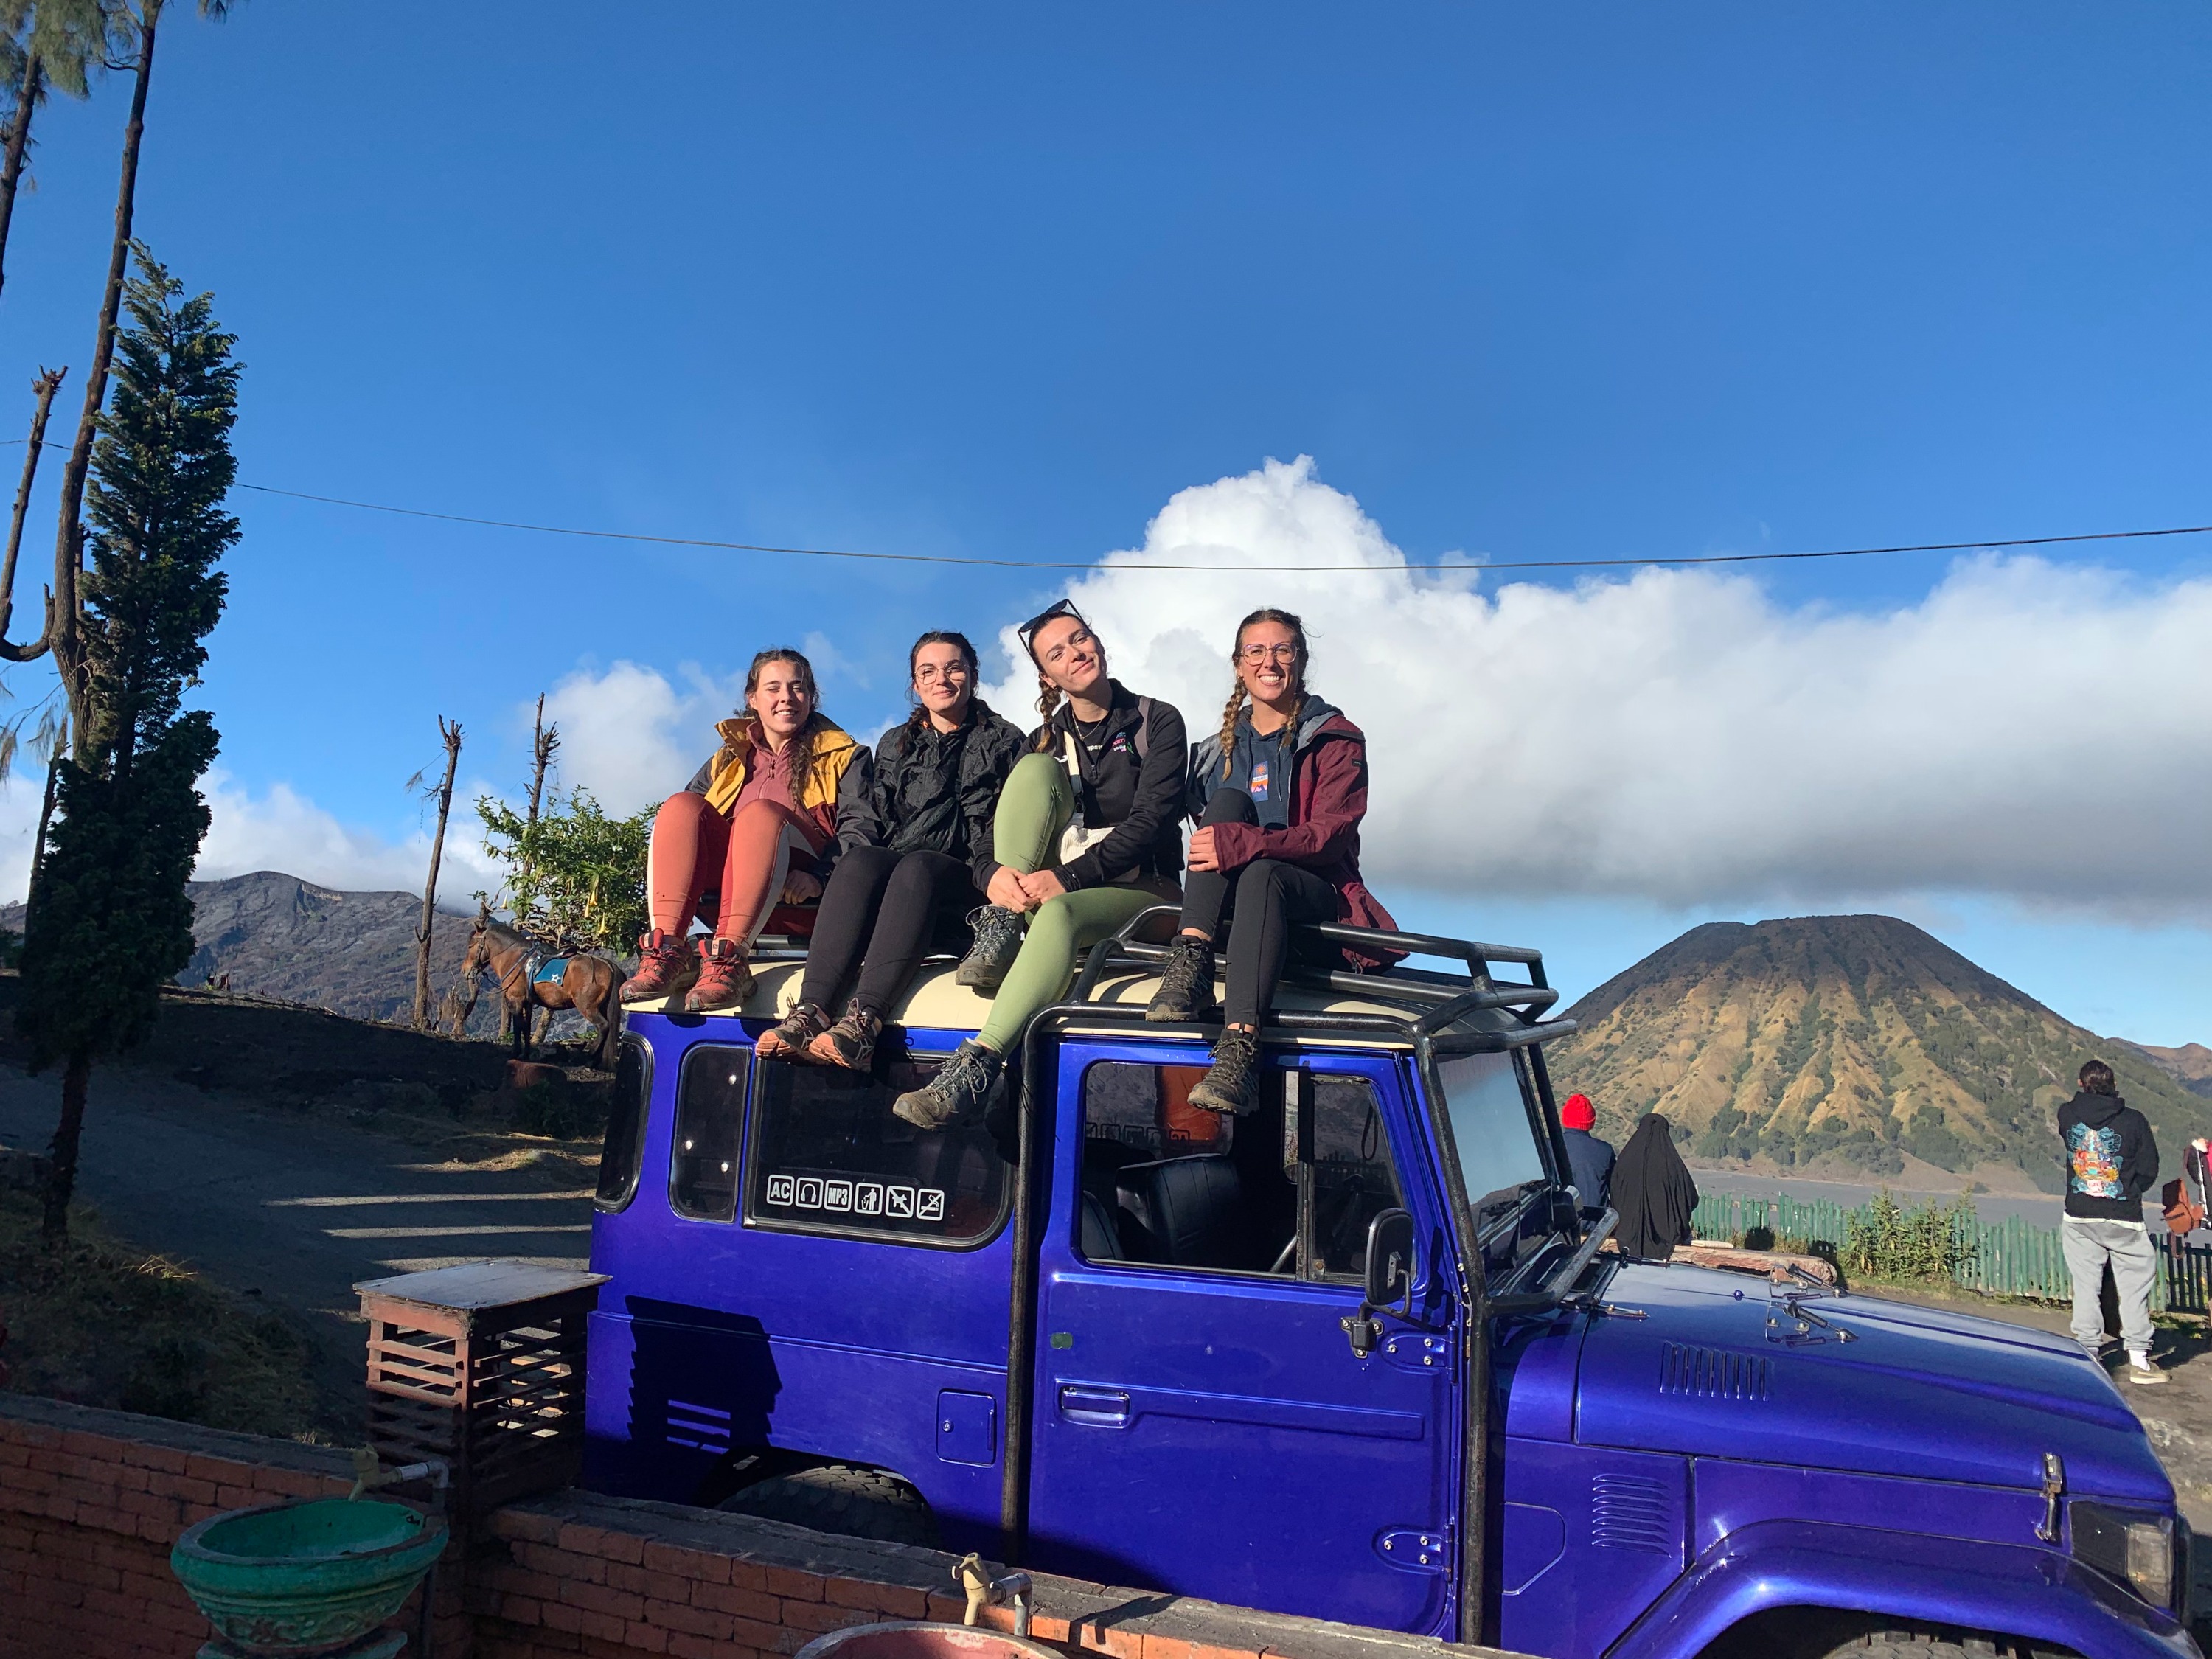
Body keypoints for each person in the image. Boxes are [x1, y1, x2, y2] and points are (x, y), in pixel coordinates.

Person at [891, 601, 1187, 1129]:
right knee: (1031, 770)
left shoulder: (1155, 720)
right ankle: (1002, 921)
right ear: (1046, 675)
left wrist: (1068, 879)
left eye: (1080, 639)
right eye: (1058, 652)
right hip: (1056, 887)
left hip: (1148, 890)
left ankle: (979, 1063)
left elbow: (1151, 824)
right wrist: (993, 878)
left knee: (1059, 916)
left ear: (1097, 641)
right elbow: (989, 835)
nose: (1076, 653)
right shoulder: (1045, 738)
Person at [1144, 608, 1398, 1116]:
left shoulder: (1333, 738)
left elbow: (1329, 837)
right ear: (1239, 665)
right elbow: (1150, 814)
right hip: (1237, 913)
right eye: (1256, 651)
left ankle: (1239, 1047)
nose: (1270, 661)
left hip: (1315, 901)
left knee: (1262, 871)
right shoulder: (1214, 753)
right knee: (1225, 807)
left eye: (1282, 649)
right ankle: (1190, 959)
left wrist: (1247, 845)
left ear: (1300, 661)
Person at [754, 631, 1024, 1071]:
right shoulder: (896, 744)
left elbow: (1005, 827)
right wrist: (827, 875)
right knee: (862, 859)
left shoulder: (1008, 741)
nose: (943, 679)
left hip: (971, 879)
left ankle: (864, 1022)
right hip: (903, 878)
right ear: (915, 685)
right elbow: (871, 824)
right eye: (928, 671)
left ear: (973, 676)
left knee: (918, 866)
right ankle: (812, 1011)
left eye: (954, 668)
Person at [619, 648, 868, 1014]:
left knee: (759, 814)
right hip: (725, 901)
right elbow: (687, 832)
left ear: (811, 697)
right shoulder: (727, 759)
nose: (787, 697)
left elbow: (861, 829)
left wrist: (820, 876)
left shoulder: (846, 755)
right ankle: (667, 949)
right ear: (752, 698)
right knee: (680, 806)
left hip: (805, 902)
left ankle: (729, 960)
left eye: (798, 687)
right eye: (773, 688)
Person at [2060, 1058, 2165, 1385]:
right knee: (2135, 1288)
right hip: (2124, 1217)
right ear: (2113, 1084)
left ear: (2081, 1083)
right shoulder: (2134, 1121)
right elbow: (2149, 1168)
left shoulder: (2067, 1114)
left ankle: (2089, 1353)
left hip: (2079, 1214)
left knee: (2086, 1285)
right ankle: (2139, 1360)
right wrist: (2128, 1190)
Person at [1611, 1113, 1697, 1260]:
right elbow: (1690, 1198)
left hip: (1626, 1236)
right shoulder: (1673, 1165)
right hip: (1667, 1238)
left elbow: (1615, 1194)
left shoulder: (1625, 1161)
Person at [1559, 1093, 1614, 1223]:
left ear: (1565, 1119)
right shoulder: (1605, 1151)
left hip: (1560, 1225)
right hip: (1596, 1223)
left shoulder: (1550, 1147)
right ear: (1591, 1122)